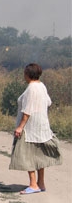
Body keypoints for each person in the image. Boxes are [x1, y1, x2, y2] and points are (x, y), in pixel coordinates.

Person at [9, 63, 62, 195]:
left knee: (28, 156)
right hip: (42, 125)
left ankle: (33, 184)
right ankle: (41, 183)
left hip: (30, 128)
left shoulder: (31, 88)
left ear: (28, 74)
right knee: (39, 155)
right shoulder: (41, 86)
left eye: (24, 73)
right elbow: (48, 102)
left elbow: (27, 111)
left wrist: (20, 127)